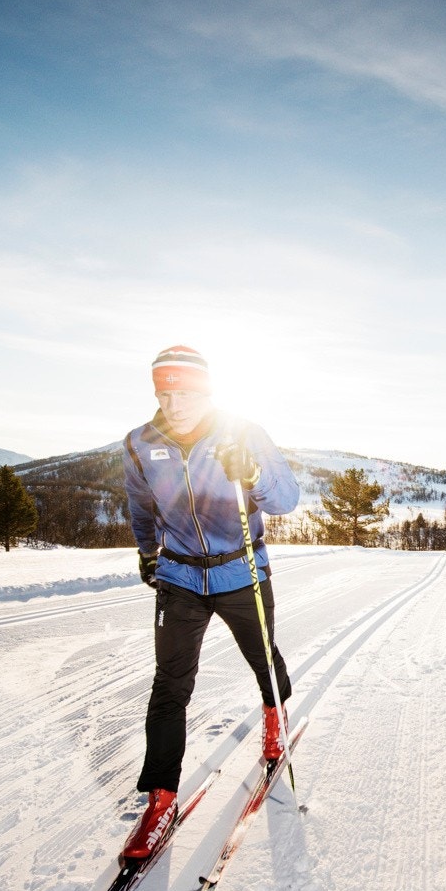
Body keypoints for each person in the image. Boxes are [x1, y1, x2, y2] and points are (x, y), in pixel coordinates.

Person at [119, 345, 300, 859]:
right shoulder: (139, 443)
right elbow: (141, 504)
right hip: (179, 577)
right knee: (169, 685)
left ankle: (274, 722)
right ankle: (160, 798)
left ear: (208, 392)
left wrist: (254, 476)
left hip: (240, 570)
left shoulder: (243, 433)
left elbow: (286, 498)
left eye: (187, 394)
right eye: (164, 394)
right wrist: (148, 553)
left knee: (263, 657)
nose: (175, 405)